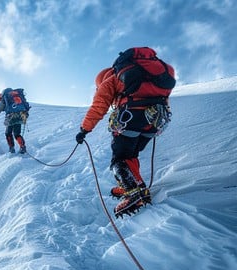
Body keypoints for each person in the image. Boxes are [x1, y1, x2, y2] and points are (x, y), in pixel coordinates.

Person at [74, 47, 175, 217]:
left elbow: (99, 107)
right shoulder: (156, 71)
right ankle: (138, 187)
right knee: (131, 154)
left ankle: (132, 191)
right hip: (156, 121)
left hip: (131, 118)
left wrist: (84, 130)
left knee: (119, 158)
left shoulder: (112, 79)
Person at [0, 88, 29, 154]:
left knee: (8, 133)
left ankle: (11, 149)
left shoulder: (4, 99)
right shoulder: (16, 95)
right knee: (17, 134)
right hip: (21, 115)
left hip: (11, 117)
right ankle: (23, 147)